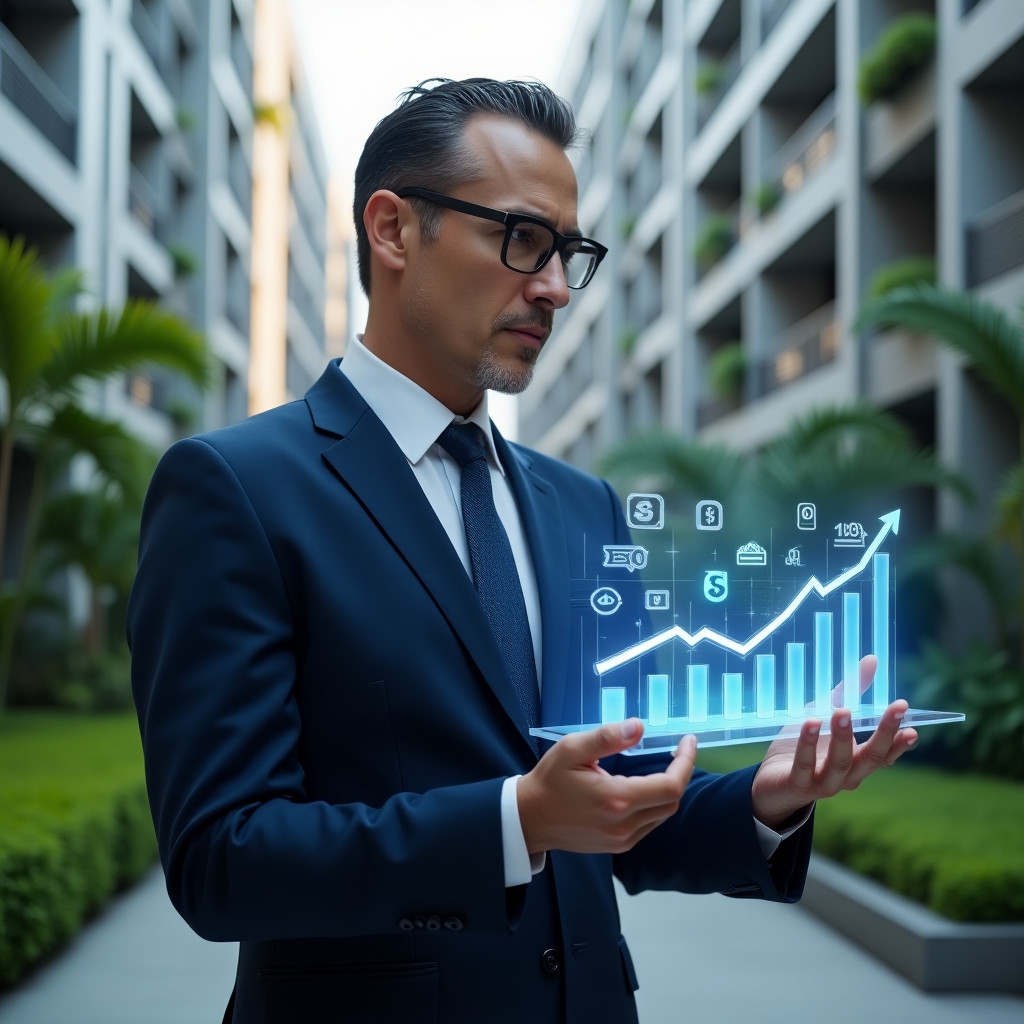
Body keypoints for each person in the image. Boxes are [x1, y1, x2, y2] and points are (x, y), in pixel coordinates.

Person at [128, 79, 918, 1024]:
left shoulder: (579, 506)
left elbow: (617, 804)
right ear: (391, 231)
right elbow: (224, 858)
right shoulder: (237, 488)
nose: (551, 285)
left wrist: (767, 799)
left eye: (568, 253)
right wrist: (512, 823)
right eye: (520, 239)